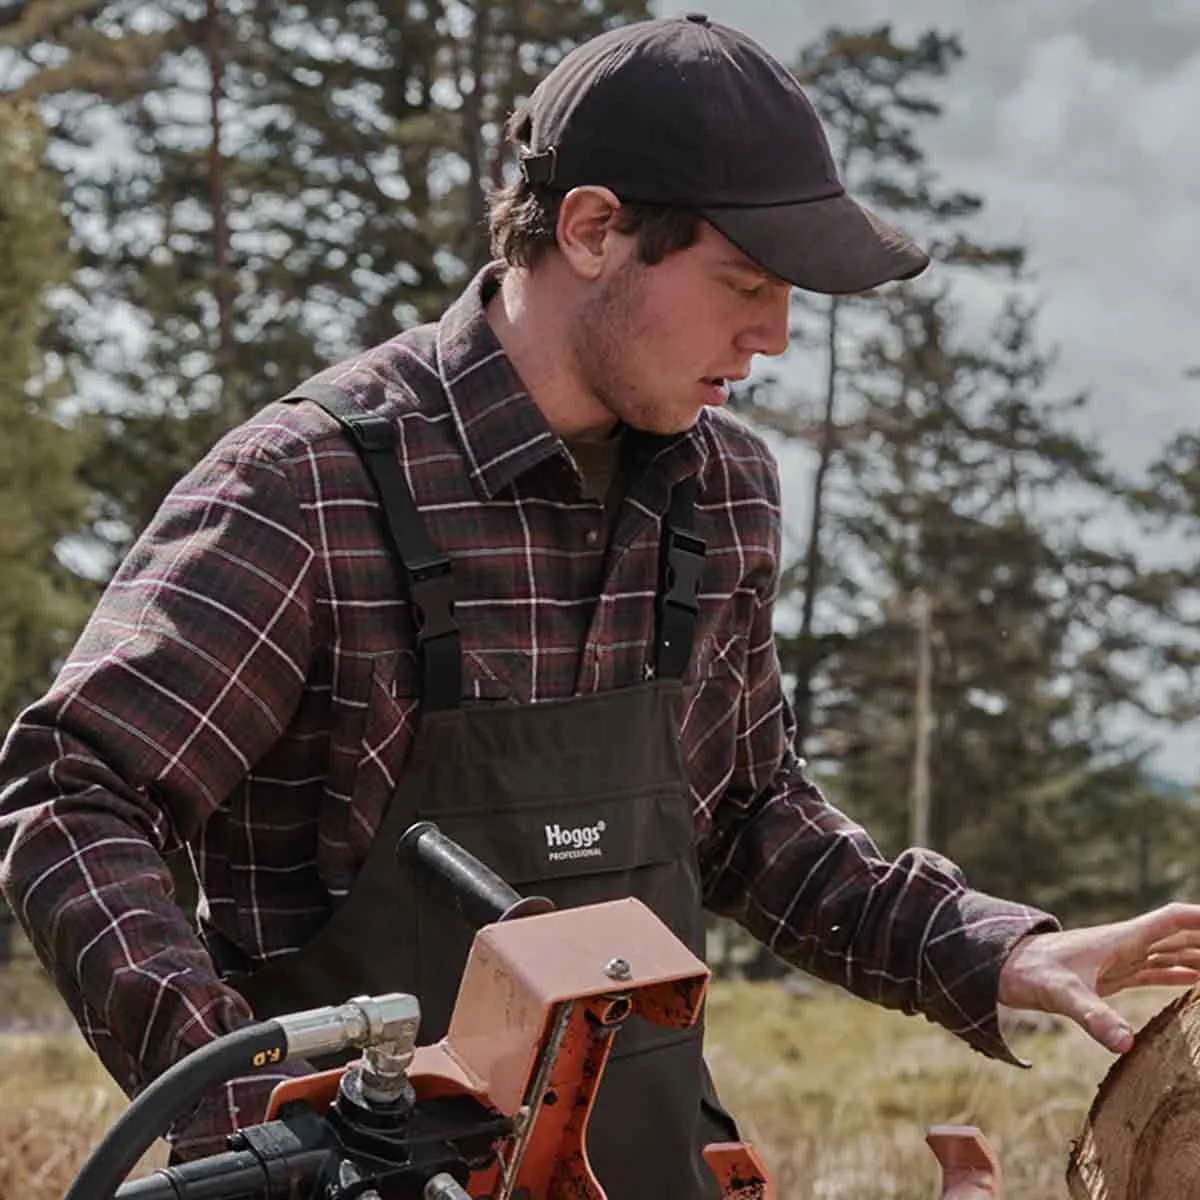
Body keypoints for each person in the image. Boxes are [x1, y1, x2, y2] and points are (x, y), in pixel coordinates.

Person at [1, 14, 1198, 1197]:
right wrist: (254, 1116)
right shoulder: (310, 489)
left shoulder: (722, 491)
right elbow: (71, 790)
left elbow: (747, 821)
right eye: (744, 282)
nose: (775, 334)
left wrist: (998, 954)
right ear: (590, 230)